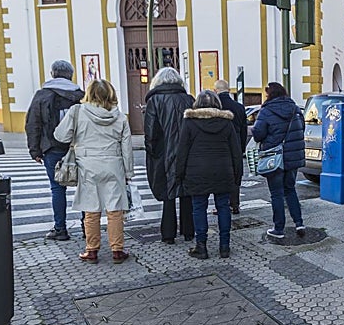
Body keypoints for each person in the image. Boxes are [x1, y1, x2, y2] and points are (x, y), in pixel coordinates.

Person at [53, 79, 133, 264]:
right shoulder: (119, 117)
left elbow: (60, 135)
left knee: (91, 209)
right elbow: (127, 148)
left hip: (87, 165)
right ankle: (117, 250)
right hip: (113, 165)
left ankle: (92, 250)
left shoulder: (77, 112)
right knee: (115, 210)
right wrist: (128, 173)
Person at [176, 90, 243, 259]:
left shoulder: (190, 122)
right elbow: (235, 151)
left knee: (198, 208)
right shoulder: (226, 123)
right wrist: (237, 174)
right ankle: (225, 246)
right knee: (223, 207)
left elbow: (182, 150)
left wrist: (179, 173)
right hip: (223, 171)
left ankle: (201, 246)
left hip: (197, 172)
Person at [25, 59, 84, 240]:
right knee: (83, 188)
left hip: (52, 148)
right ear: (71, 75)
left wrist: (34, 150)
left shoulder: (42, 96)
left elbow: (32, 123)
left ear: (52, 74)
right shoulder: (80, 95)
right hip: (79, 148)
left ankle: (60, 229)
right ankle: (87, 227)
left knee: (57, 189)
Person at [143, 67, 195, 244]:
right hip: (187, 153)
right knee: (187, 193)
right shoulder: (188, 99)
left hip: (164, 154)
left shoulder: (154, 101)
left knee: (168, 195)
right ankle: (189, 231)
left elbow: (150, 133)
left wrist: (153, 153)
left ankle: (168, 234)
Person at [251, 82, 306, 241]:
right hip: (292, 158)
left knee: (276, 194)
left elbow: (258, 134)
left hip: (274, 158)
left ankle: (279, 228)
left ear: (270, 94)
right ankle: (299, 223)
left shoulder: (266, 111)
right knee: (290, 189)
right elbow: (301, 128)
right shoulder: (295, 109)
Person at [214, 79, 248, 213]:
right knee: (235, 175)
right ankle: (235, 204)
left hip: (219, 148)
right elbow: (244, 129)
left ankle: (221, 205)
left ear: (216, 91)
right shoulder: (239, 107)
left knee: (220, 176)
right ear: (228, 90)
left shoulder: (215, 107)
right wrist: (242, 148)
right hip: (236, 146)